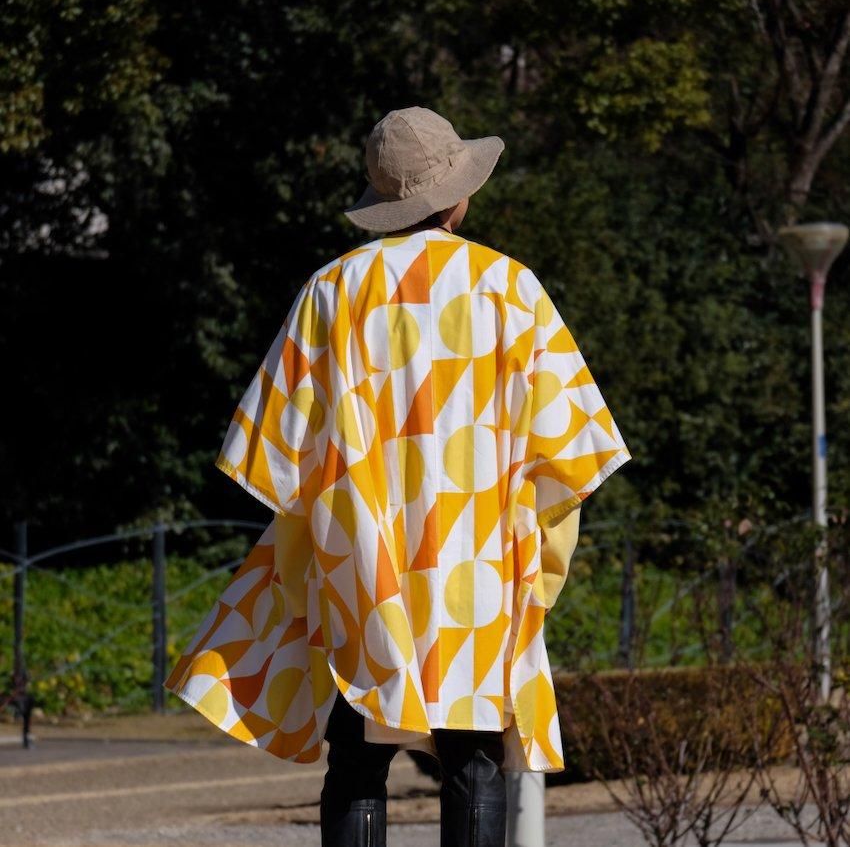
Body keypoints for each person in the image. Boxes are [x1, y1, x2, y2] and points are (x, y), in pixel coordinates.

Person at [163, 106, 631, 847]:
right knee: (473, 759)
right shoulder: (510, 288)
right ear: (457, 196)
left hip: (364, 568)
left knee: (357, 756)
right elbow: (567, 456)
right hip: (476, 568)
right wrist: (538, 573)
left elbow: (276, 457)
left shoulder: (332, 291)